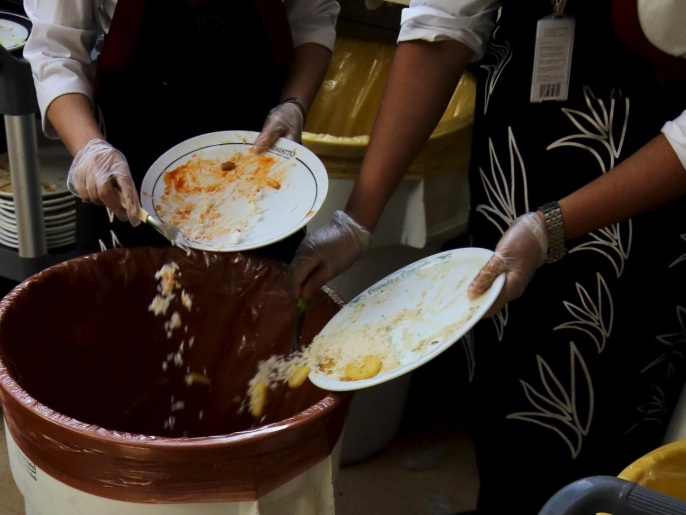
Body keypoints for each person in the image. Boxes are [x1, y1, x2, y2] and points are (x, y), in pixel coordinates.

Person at [289, 1, 686, 513]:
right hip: (517, 165)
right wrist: (355, 220)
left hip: (638, 192)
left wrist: (551, 227)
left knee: (605, 436)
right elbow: (444, 22)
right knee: (505, 395)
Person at [22, 0, 339, 261]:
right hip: (130, 175)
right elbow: (56, 50)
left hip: (259, 183)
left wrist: (294, 104)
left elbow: (312, 18)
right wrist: (90, 148)